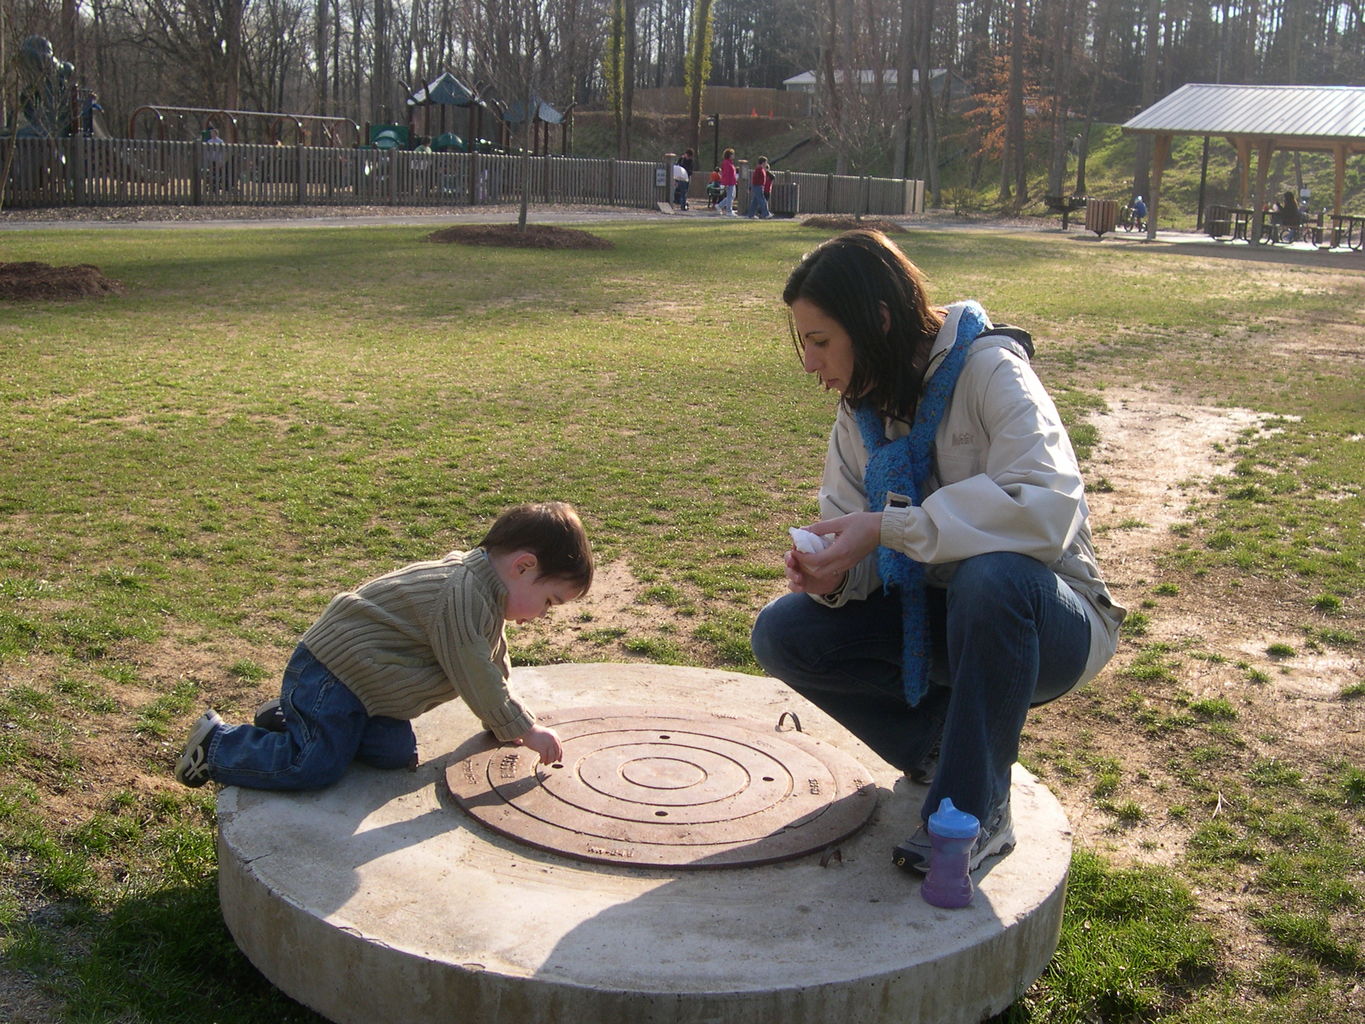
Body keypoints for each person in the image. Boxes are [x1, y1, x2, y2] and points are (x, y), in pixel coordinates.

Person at [750, 230, 1124, 875]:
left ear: (879, 321)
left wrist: (889, 530)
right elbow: (855, 530)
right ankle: (936, 747)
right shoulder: (860, 410)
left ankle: (974, 812)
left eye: (819, 341)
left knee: (994, 576)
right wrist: (831, 572)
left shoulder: (992, 370)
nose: (809, 363)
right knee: (785, 633)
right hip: (938, 616)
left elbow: (1047, 510)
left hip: (1048, 622)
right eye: (802, 342)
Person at [175, 501, 594, 791]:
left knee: (394, 753)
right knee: (313, 766)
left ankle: (289, 717)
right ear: (523, 567)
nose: (541, 615)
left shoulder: (485, 597)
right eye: (549, 602)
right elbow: (475, 673)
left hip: (364, 691)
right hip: (333, 676)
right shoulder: (461, 593)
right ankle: (217, 744)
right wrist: (524, 728)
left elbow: (492, 662)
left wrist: (506, 723)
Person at [718, 147, 738, 216]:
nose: (734, 155)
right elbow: (726, 174)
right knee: (730, 196)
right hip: (729, 182)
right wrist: (726, 183)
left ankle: (720, 206)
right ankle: (729, 211)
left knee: (731, 196)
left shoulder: (730, 163)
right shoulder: (726, 163)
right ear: (729, 155)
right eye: (732, 154)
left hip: (732, 182)